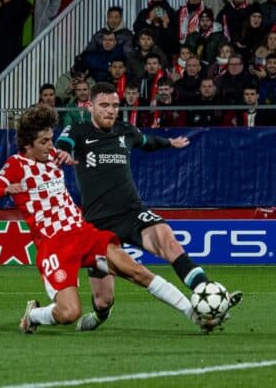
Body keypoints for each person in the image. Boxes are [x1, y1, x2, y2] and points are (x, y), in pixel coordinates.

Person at [0, 105, 218, 334]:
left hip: (83, 234)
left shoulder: (53, 155)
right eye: (44, 142)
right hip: (54, 245)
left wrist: (71, 155)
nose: (50, 146)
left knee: (137, 271)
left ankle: (194, 315)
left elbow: (66, 148)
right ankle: (33, 316)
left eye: (51, 139)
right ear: (27, 145)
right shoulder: (16, 165)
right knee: (69, 313)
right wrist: (7, 189)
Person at [55, 82, 242, 331]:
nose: (110, 110)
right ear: (89, 106)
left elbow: (148, 141)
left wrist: (169, 143)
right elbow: (63, 143)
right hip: (96, 225)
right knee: (103, 299)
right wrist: (63, 153)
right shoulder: (78, 130)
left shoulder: (125, 131)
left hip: (132, 212)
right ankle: (100, 315)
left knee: (167, 238)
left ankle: (207, 292)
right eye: (104, 105)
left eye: (114, 105)